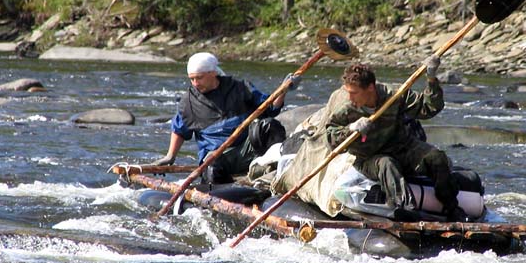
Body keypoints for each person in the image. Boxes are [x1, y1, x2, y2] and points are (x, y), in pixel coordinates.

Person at [324, 59, 468, 222]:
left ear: (370, 88)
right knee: (387, 164)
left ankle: (451, 207)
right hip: (370, 158)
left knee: (436, 157)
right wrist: (350, 129)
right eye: (348, 92)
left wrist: (432, 79)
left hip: (402, 148)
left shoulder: (393, 96)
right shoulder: (347, 109)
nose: (350, 97)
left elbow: (428, 108)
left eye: (354, 92)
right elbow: (330, 139)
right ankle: (405, 209)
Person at [149, 52, 299, 183]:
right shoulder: (188, 102)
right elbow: (179, 131)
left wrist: (284, 89)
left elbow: (271, 108)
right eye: (192, 79)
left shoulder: (240, 87)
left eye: (199, 78)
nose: (195, 83)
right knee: (212, 166)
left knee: (268, 125)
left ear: (213, 73)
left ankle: (273, 170)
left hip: (248, 149)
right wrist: (170, 156)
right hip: (218, 157)